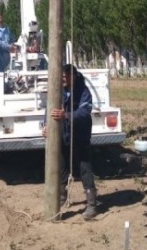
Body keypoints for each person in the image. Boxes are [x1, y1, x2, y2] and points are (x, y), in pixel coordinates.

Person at [49, 64, 98, 220]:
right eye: (62, 76)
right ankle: (61, 200)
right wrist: (47, 127)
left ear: (74, 76)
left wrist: (67, 115)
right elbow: (49, 111)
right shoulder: (58, 92)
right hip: (63, 136)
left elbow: (84, 112)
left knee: (85, 169)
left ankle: (92, 204)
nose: (63, 79)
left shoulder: (83, 92)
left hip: (80, 136)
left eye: (66, 76)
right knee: (61, 169)